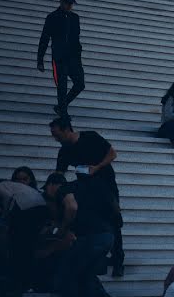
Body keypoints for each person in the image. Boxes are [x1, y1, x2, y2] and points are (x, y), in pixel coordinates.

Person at [48, 175, 134, 297]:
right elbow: (114, 208)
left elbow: (71, 207)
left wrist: (63, 228)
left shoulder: (64, 189)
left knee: (66, 273)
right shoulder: (91, 189)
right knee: (86, 274)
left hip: (91, 237)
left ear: (53, 185)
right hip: (107, 236)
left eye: (48, 189)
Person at [51, 117, 125, 277]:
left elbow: (113, 153)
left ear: (66, 129)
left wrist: (96, 167)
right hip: (85, 189)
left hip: (106, 184)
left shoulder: (90, 137)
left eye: (57, 135)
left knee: (113, 220)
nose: (56, 139)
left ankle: (118, 260)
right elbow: (59, 173)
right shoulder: (64, 150)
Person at [37, 0, 85, 117]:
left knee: (80, 84)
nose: (70, 6)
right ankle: (63, 111)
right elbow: (44, 39)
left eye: (71, 4)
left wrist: (78, 54)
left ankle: (61, 106)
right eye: (67, 3)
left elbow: (76, 38)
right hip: (59, 57)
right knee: (62, 86)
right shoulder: (52, 17)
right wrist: (40, 60)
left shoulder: (75, 18)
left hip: (74, 57)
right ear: (61, 2)